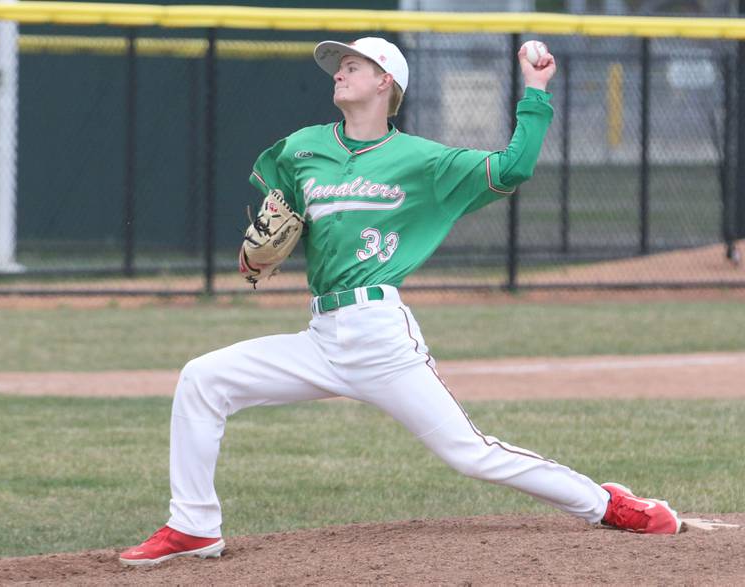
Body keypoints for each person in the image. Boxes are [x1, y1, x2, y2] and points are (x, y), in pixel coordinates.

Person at [119, 37, 681, 567]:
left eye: (353, 65)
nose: (339, 71)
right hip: (320, 336)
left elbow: (514, 168)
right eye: (338, 65)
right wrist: (255, 258)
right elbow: (277, 227)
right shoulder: (302, 148)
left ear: (386, 82)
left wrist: (535, 91)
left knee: (471, 454)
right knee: (202, 379)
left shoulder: (422, 161)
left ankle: (607, 504)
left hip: (380, 334)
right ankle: (193, 526)